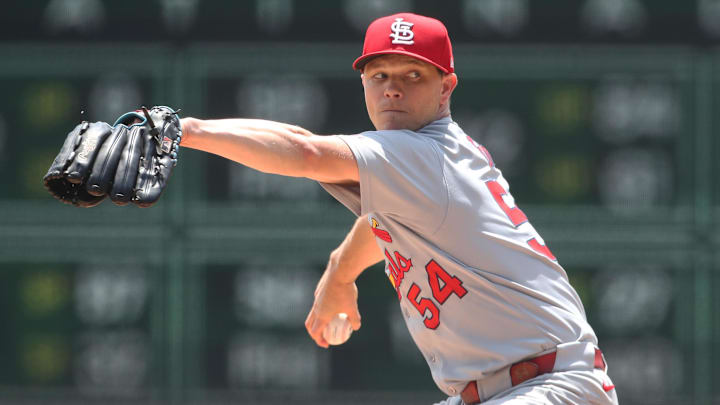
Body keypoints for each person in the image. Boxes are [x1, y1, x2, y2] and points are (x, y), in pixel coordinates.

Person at [178, 12, 618, 405]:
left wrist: (185, 131)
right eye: (380, 75)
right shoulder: (421, 167)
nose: (392, 89)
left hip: (551, 386)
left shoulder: (424, 153)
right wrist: (340, 272)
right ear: (365, 84)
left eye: (412, 75)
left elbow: (305, 151)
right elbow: (380, 222)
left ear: (445, 87)